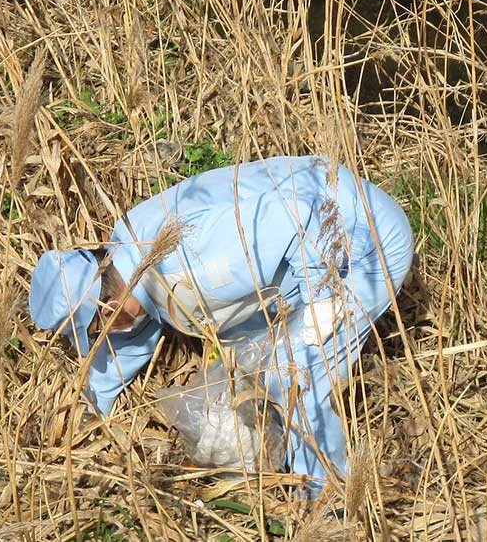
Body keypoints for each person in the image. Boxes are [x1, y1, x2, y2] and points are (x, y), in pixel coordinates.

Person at [29, 154, 414, 495]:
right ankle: (279, 457)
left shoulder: (187, 265)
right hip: (293, 260)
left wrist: (318, 311)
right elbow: (130, 340)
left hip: (360, 239)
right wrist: (95, 408)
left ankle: (325, 498)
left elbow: (299, 218)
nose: (105, 338)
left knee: (296, 371)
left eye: (97, 331)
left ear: (108, 306)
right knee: (248, 360)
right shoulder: (130, 259)